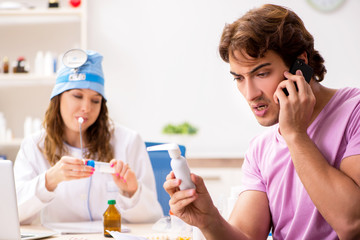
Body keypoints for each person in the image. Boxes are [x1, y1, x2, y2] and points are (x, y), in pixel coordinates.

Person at [164, 4, 360, 239]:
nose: (250, 94)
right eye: (239, 78)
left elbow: (351, 223)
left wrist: (295, 135)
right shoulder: (261, 149)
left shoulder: (354, 112)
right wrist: (209, 221)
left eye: (261, 74)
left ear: (300, 65)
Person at [14, 50, 163, 224]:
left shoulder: (129, 141)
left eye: (95, 100)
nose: (86, 107)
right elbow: (12, 215)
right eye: (77, 96)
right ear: (58, 98)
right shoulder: (34, 145)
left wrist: (132, 192)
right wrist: (49, 180)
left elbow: (153, 218)